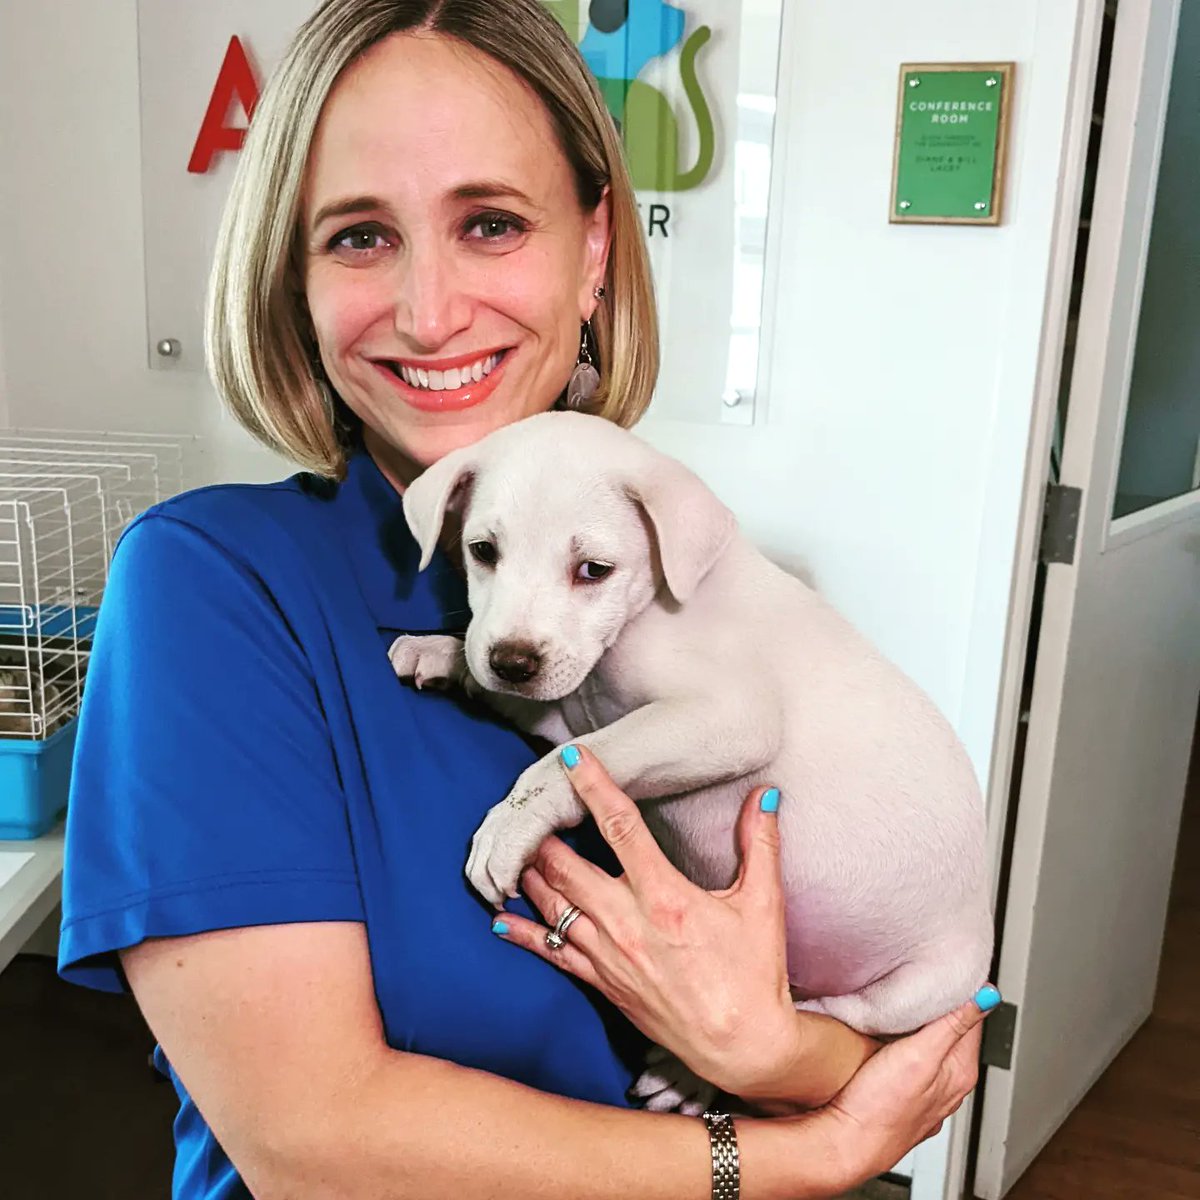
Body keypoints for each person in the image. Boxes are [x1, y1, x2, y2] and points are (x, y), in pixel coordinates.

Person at [57, 2, 998, 1197]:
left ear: (595, 248)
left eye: (490, 223)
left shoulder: (676, 583)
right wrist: (784, 1158)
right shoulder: (215, 588)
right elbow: (313, 1145)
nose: (430, 311)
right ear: (290, 277)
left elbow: (902, 1058)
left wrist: (767, 1048)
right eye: (357, 237)